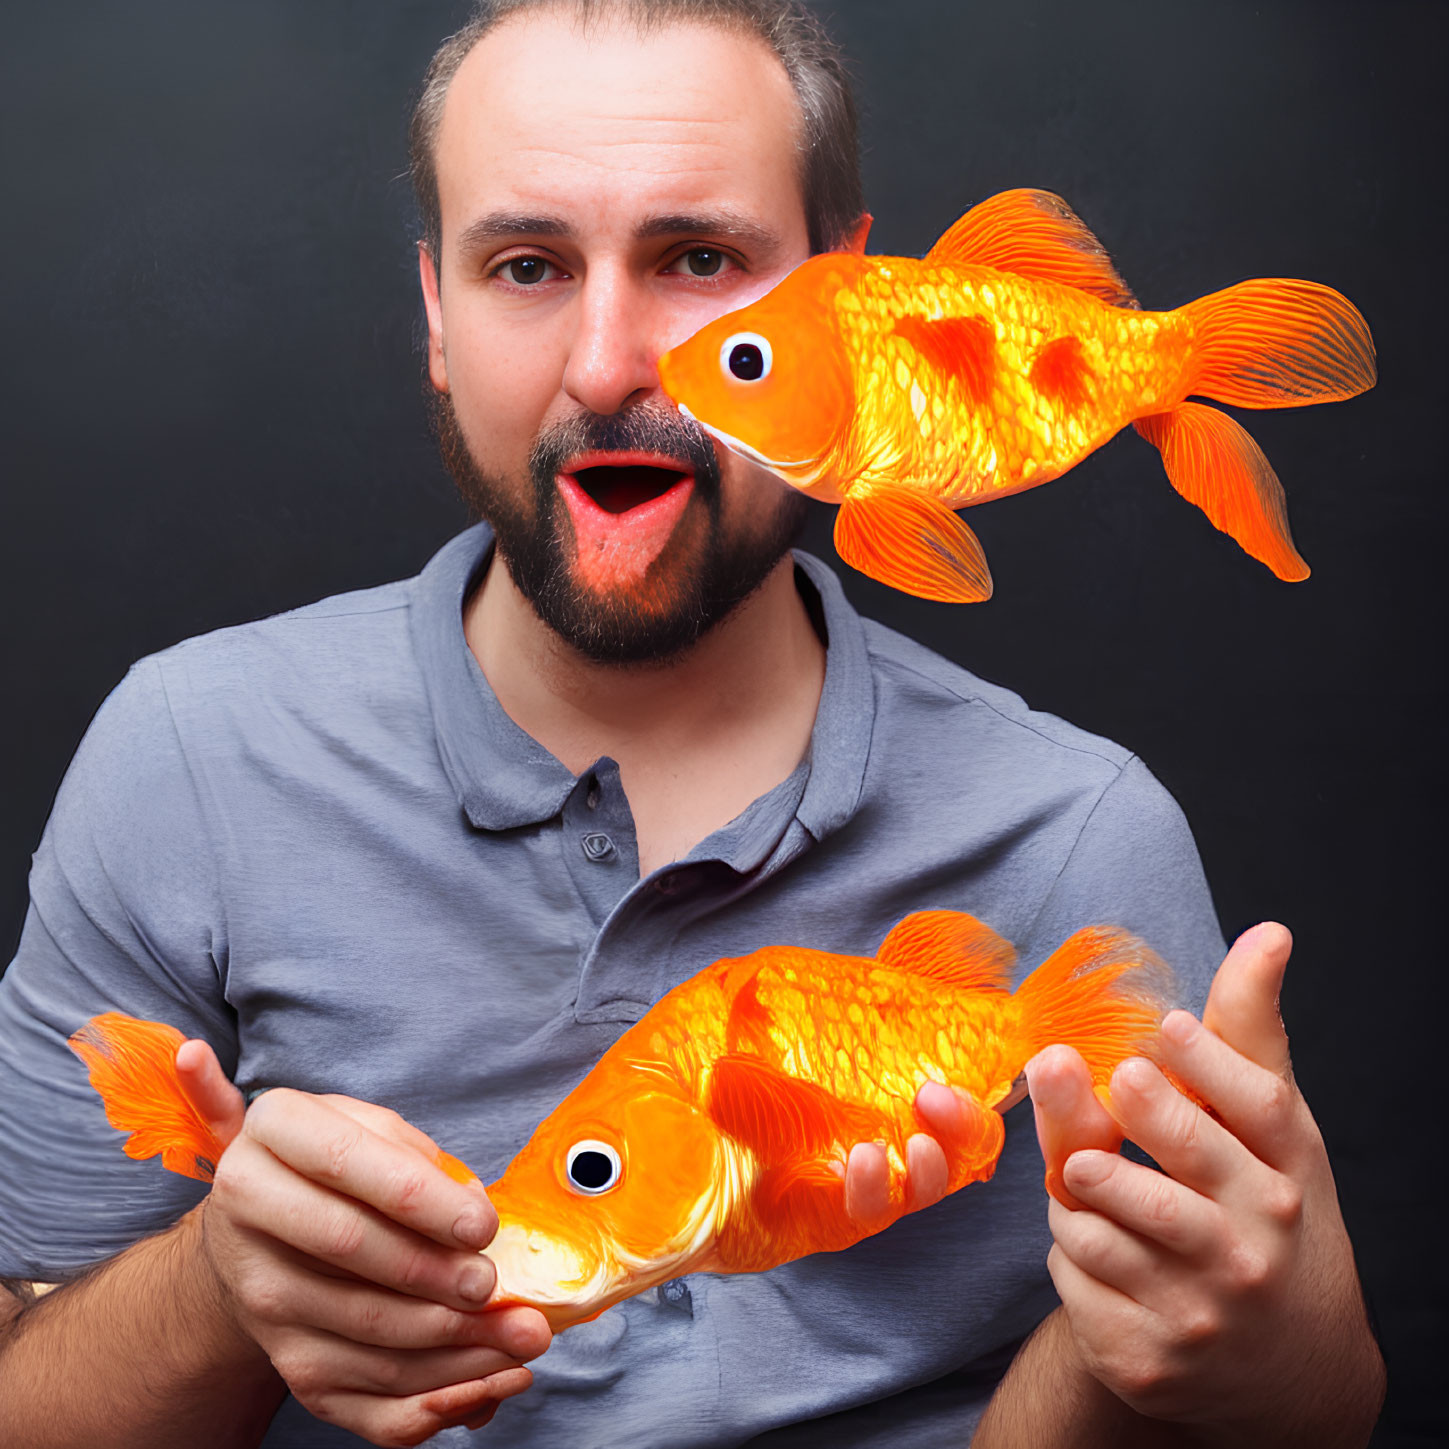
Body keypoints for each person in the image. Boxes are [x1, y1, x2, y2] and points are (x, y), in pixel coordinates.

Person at [0, 2, 1384, 1446]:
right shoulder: (189, 755)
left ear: (852, 295)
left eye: (699, 262)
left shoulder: (1079, 833)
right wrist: (219, 1284)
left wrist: (1231, 1338)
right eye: (526, 266)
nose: (610, 364)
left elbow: (1299, 1409)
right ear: (435, 318)